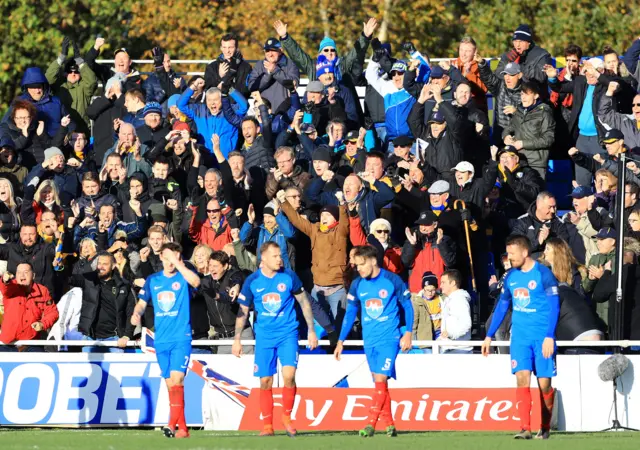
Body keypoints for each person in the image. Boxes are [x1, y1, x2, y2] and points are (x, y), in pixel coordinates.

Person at [232, 242, 318, 437]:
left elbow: (304, 302)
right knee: (265, 381)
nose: (280, 259)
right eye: (275, 256)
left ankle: (286, 417)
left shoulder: (289, 276)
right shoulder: (253, 280)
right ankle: (267, 426)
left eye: (280, 255)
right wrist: (237, 339)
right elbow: (243, 310)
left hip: (288, 333)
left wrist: (311, 330)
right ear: (264, 259)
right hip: (264, 337)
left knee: (289, 375)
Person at [482, 235, 559, 440]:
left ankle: (544, 427)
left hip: (542, 337)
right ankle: (524, 427)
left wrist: (550, 336)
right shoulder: (511, 277)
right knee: (521, 378)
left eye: (512, 254)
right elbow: (502, 305)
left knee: (544, 385)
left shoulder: (544, 274)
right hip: (520, 338)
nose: (509, 257)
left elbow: (554, 306)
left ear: (525, 253)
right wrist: (489, 335)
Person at [334, 245, 413, 438]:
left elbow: (407, 306)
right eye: (357, 265)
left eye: (361, 264)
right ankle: (390, 425)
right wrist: (340, 340)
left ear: (372, 261)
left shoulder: (392, 280)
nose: (358, 268)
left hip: (389, 338)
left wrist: (408, 332)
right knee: (379, 384)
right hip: (369, 340)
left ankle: (370, 423)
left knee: (380, 379)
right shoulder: (357, 284)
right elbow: (351, 313)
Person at [131, 242, 201, 439]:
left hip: (181, 337)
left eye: (175, 257)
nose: (171, 261)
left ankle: (171, 425)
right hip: (161, 339)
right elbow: (142, 303)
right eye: (167, 257)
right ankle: (184, 429)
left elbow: (197, 282)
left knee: (178, 379)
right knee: (171, 385)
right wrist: (136, 313)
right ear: (160, 257)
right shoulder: (153, 280)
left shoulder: (183, 276)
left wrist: (179, 264)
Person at [0, 263, 58, 351]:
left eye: (26, 272)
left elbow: (52, 312)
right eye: (19, 272)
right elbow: (5, 288)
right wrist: (5, 281)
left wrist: (43, 324)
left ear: (33, 275)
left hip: (31, 342)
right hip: (8, 343)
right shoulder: (11, 287)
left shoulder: (43, 291)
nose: (22, 275)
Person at [438, 269, 472, 353]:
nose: (440, 286)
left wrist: (450, 334)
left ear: (453, 283)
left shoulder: (459, 299)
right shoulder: (449, 299)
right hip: (450, 349)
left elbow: (466, 324)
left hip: (458, 350)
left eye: (443, 282)